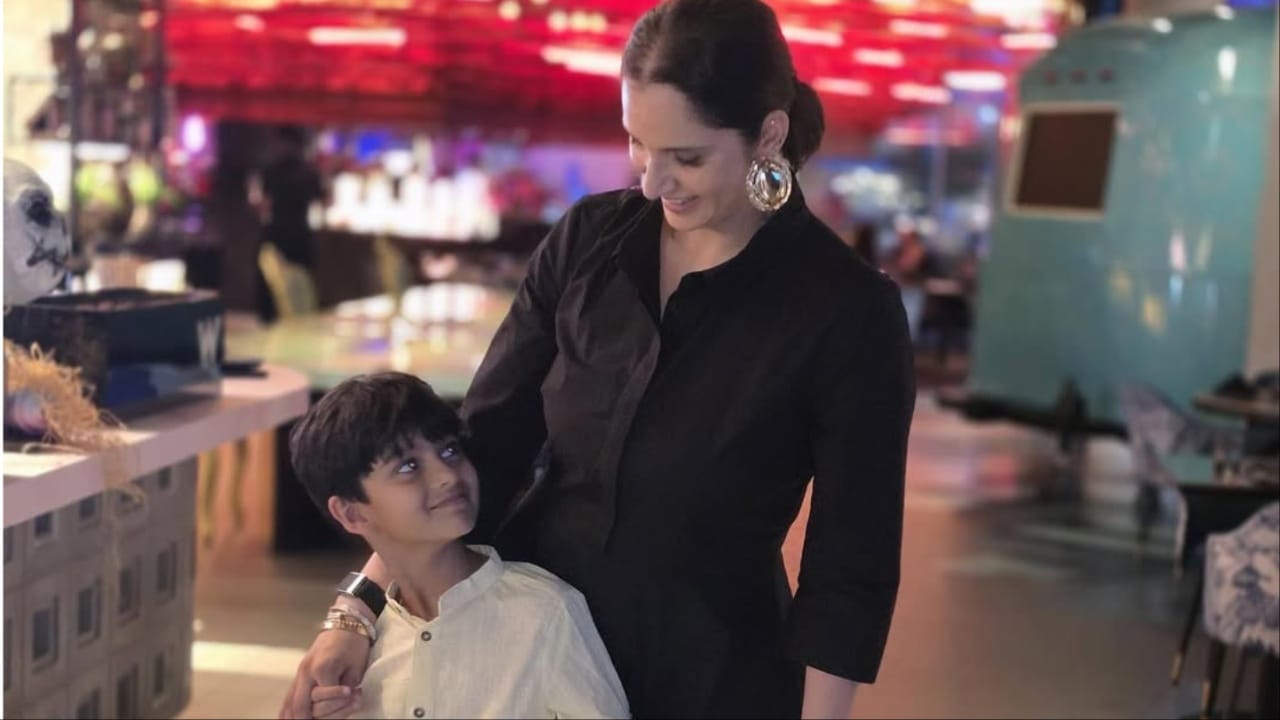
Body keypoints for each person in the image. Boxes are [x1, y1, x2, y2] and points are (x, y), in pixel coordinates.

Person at [281, 1, 915, 717]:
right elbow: (489, 443)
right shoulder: (589, 240)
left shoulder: (846, 309)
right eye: (638, 144)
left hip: (706, 676)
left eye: (687, 157)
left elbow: (849, 564)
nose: (652, 182)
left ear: (769, 133)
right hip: (522, 654)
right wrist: (357, 610)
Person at [288, 372, 629, 719]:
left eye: (450, 450)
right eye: (408, 466)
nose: (447, 476)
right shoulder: (356, 654)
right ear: (351, 514)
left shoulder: (546, 612)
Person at [261, 125, 324, 272]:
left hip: (278, 231)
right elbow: (323, 200)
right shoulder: (309, 172)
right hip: (300, 232)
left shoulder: (273, 171)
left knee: (275, 277)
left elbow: (265, 203)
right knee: (300, 276)